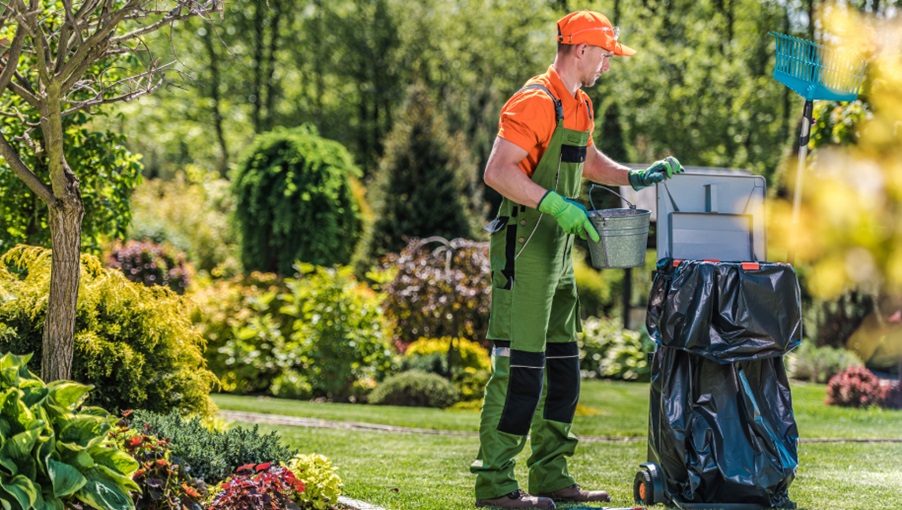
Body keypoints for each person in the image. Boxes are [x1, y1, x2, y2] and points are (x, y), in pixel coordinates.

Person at [470, 10, 684, 509]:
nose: (608, 62)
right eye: (606, 53)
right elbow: (498, 172)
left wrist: (634, 176)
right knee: (519, 368)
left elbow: (585, 160)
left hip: (560, 252)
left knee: (564, 367)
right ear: (582, 49)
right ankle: (495, 484)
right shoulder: (535, 100)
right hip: (524, 250)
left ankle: (550, 473)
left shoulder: (579, 104)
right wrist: (552, 202)